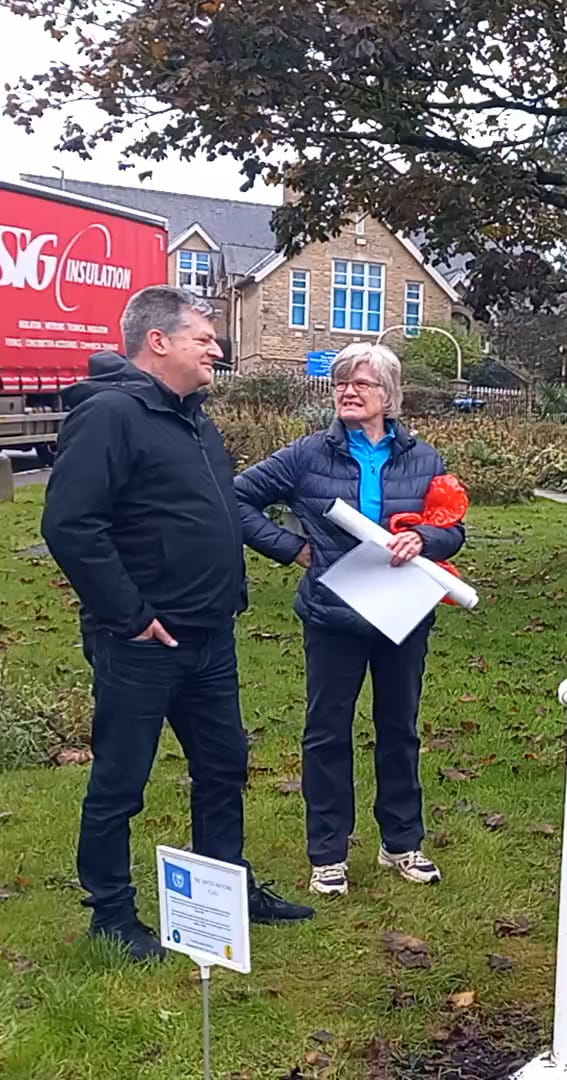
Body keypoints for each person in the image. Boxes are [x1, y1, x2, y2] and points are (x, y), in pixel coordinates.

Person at [41, 285, 314, 961]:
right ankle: (111, 915)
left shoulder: (193, 417)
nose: (217, 351)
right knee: (121, 781)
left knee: (223, 766)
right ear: (157, 341)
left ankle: (225, 887)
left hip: (210, 635)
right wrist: (129, 616)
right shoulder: (110, 415)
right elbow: (71, 525)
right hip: (143, 642)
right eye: (204, 339)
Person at [232, 343, 464, 896]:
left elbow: (453, 528)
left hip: (402, 615)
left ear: (389, 395)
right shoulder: (307, 455)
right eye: (341, 383)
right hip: (333, 614)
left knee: (399, 728)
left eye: (362, 383)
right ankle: (328, 853)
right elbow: (236, 498)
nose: (349, 392)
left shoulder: (425, 459)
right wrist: (292, 549)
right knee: (327, 732)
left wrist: (424, 537)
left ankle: (402, 844)